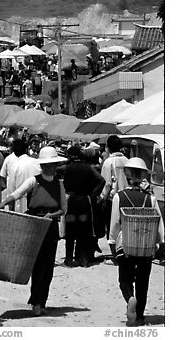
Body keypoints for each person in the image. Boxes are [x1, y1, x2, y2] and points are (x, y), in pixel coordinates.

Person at [0, 146, 67, 316]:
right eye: (46, 165)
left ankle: (42, 301)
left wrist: (52, 214)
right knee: (37, 265)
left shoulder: (60, 185)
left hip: (50, 227)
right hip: (34, 225)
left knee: (48, 266)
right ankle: (36, 300)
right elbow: (17, 194)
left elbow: (63, 209)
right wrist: (1, 204)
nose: (49, 168)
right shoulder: (34, 181)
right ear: (42, 166)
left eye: (52, 165)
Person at [108, 157, 164, 327]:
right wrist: (159, 243)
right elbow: (159, 224)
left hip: (126, 244)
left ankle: (129, 298)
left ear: (128, 174)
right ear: (142, 176)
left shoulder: (119, 196)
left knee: (124, 279)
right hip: (146, 246)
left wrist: (112, 243)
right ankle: (139, 315)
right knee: (143, 281)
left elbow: (115, 223)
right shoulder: (151, 199)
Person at [58, 145, 105, 267]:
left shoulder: (66, 168)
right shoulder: (89, 168)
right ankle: (84, 260)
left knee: (70, 230)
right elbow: (101, 180)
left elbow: (54, 171)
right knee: (84, 231)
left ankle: (69, 259)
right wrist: (94, 194)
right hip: (85, 202)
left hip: (71, 203)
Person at [99, 135, 129, 241]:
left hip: (112, 200)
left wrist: (102, 198)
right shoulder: (126, 160)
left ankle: (113, 250)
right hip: (127, 198)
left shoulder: (108, 162)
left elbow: (106, 183)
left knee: (112, 225)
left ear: (108, 147)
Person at [6, 139, 41, 213]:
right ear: (26, 149)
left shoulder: (14, 166)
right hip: (37, 205)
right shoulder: (37, 162)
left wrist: (11, 210)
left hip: (20, 206)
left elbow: (11, 191)